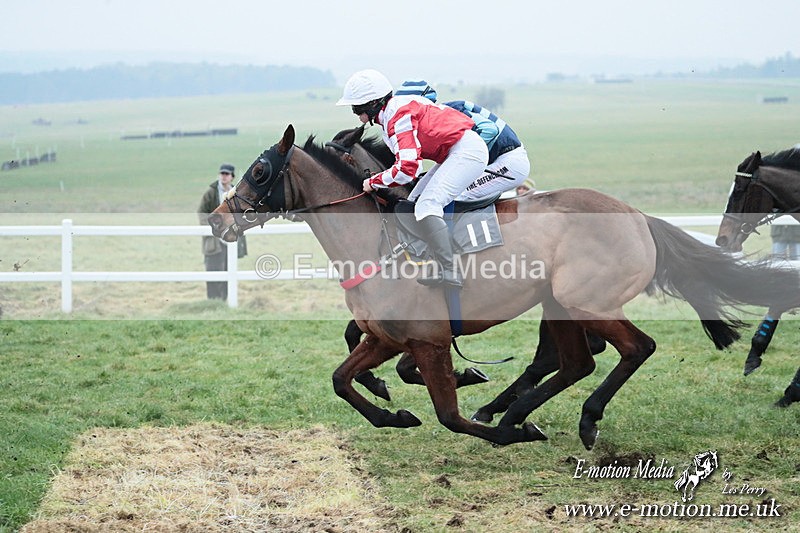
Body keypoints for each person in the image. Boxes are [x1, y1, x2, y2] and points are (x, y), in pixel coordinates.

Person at [337, 69, 489, 288]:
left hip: (466, 152)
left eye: (357, 108)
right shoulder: (392, 113)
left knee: (427, 206)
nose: (356, 114)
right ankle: (430, 258)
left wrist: (373, 181)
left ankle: (450, 270)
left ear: (373, 104)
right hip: (455, 152)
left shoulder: (397, 116)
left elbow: (408, 168)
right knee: (413, 202)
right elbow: (411, 168)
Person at [395, 79, 531, 201]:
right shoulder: (427, 121)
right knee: (417, 194)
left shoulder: (450, 111)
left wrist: (469, 157)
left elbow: (490, 129)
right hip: (496, 158)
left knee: (452, 193)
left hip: (509, 162)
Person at [197, 163, 247, 300]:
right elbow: (202, 212)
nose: (224, 176)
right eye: (222, 173)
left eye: (227, 174)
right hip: (214, 240)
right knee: (212, 270)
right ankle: (213, 300)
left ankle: (227, 299)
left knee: (229, 270)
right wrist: (211, 228)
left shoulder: (236, 194)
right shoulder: (211, 193)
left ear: (232, 177)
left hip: (230, 239)